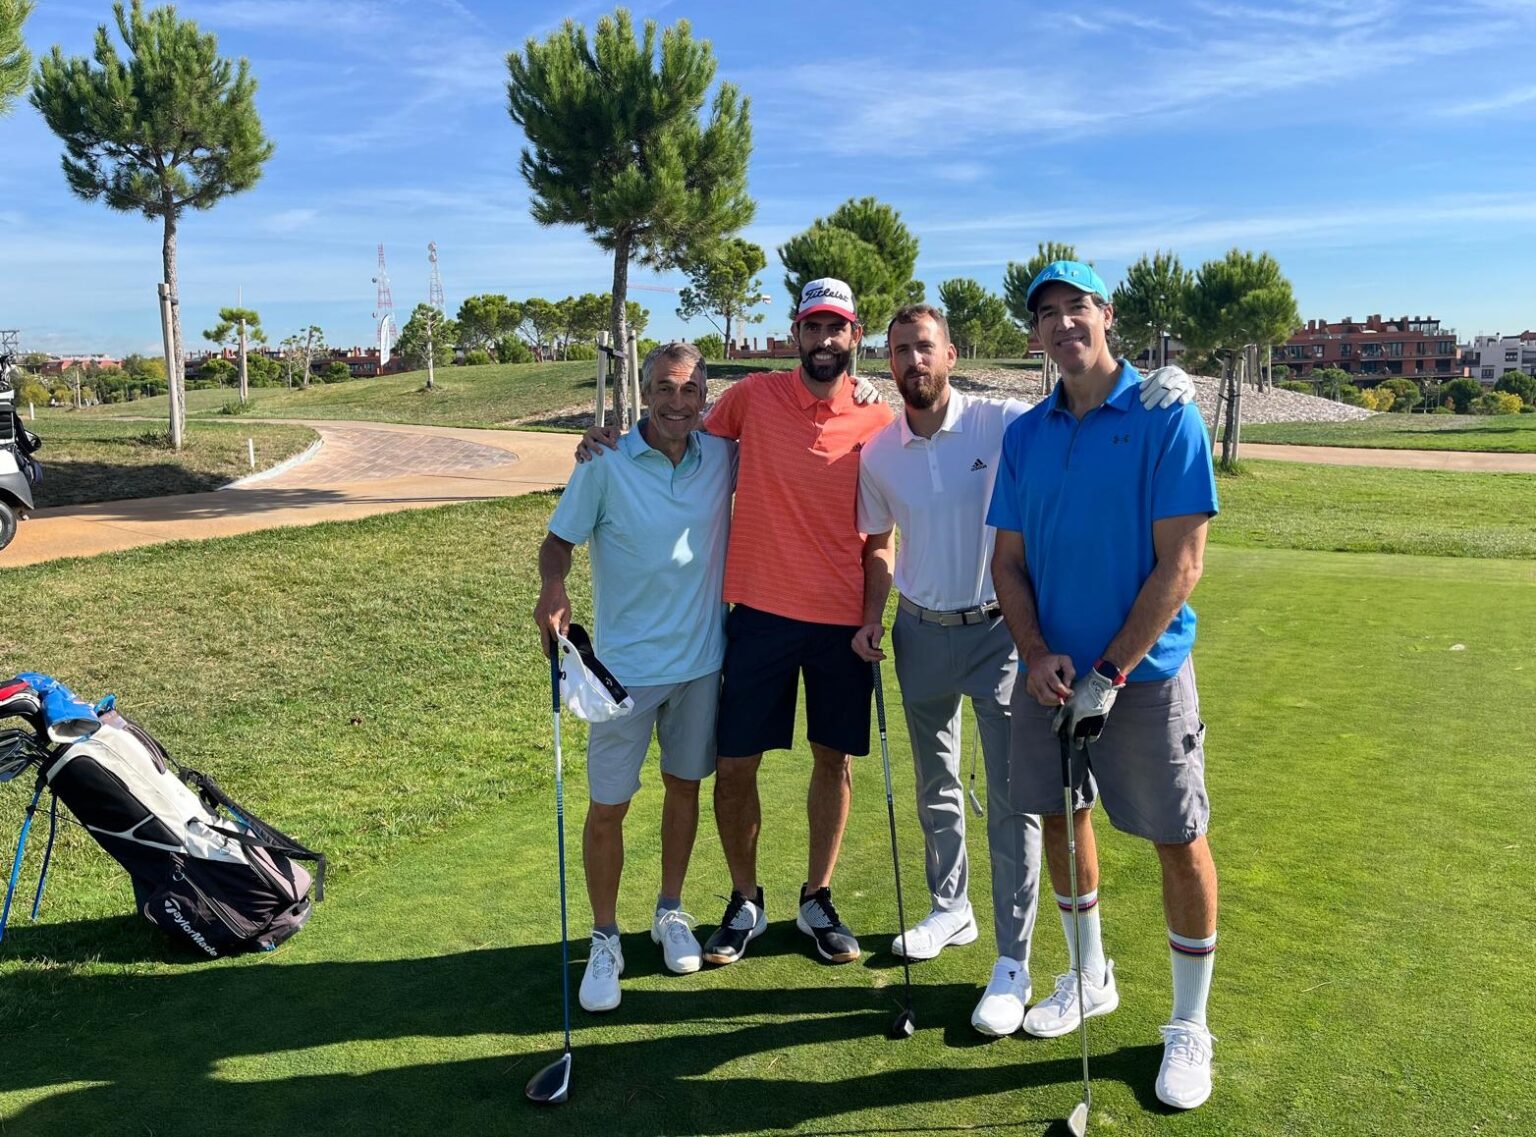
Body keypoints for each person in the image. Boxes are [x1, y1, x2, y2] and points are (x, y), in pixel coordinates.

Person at [854, 304, 1195, 1038]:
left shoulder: (1002, 420)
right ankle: (952, 908)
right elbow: (878, 541)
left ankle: (1014, 960)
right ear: (888, 363)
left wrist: (1171, 380)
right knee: (935, 784)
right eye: (901, 350)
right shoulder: (878, 452)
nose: (915, 360)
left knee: (1017, 795)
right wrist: (870, 614)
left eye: (927, 347)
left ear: (951, 353)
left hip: (1000, 630)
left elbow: (1086, 389)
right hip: (920, 628)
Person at [579, 278, 895, 966]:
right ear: (796, 333)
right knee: (733, 765)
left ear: (854, 335)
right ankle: (745, 898)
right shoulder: (752, 398)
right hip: (757, 615)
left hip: (842, 622)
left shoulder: (879, 419)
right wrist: (606, 438)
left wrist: (874, 615)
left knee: (831, 759)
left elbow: (881, 537)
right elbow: (673, 434)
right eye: (811, 327)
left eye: (835, 328)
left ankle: (817, 895)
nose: (822, 340)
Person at [987, 260, 1220, 1109]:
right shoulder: (1027, 431)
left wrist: (1109, 671)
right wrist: (1038, 649)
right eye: (1045, 313)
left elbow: (1182, 561)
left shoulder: (1166, 415)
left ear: (1106, 313)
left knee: (1176, 837)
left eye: (1075, 307)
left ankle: (1190, 1025)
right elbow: (1006, 562)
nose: (1061, 324)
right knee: (1057, 816)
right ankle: (1090, 973)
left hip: (1144, 678)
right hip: (1047, 675)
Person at [533, 341, 735, 1013]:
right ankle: (604, 935)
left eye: (691, 389)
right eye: (666, 387)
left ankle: (670, 910)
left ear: (705, 394)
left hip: (701, 663)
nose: (679, 400)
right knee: (609, 807)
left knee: (685, 790)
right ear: (643, 390)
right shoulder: (605, 463)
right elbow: (557, 543)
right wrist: (552, 590)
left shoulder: (722, 456)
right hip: (621, 675)